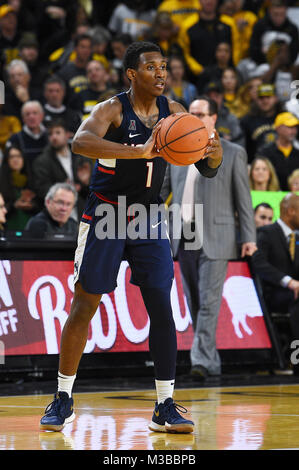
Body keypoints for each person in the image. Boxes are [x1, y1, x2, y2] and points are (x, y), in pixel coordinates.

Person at [39, 41, 223, 434]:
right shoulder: (110, 109)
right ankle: (62, 397)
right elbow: (80, 143)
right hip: (106, 211)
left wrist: (213, 153)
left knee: (161, 305)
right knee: (85, 304)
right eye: (152, 67)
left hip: (149, 215)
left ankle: (165, 404)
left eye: (164, 67)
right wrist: (137, 152)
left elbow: (206, 167)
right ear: (131, 74)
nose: (161, 73)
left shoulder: (174, 114)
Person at [160, 96, 256, 380]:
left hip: (217, 233)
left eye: (201, 113)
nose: (195, 117)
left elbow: (244, 199)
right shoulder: (176, 150)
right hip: (184, 231)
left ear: (214, 118)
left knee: (210, 301)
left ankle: (200, 360)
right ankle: (210, 361)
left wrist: (248, 236)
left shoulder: (233, 152)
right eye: (192, 113)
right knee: (195, 301)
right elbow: (160, 190)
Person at [251, 193, 299, 368]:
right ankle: (296, 360)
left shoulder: (297, 236)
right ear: (291, 211)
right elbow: (259, 263)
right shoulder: (266, 232)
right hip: (273, 293)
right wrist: (289, 282)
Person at [32, 119, 92, 219]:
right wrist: (62, 190)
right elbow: (41, 188)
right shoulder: (42, 161)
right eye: (50, 134)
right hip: (56, 212)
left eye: (58, 132)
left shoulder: (82, 156)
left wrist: (84, 184)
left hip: (83, 210)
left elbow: (96, 188)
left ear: (68, 134)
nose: (54, 137)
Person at [257, 112, 299, 191]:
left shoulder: (297, 154)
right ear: (278, 128)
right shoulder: (265, 153)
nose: (293, 131)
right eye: (289, 127)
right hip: (270, 195)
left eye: (295, 127)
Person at [240, 83, 281, 163]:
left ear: (275, 98)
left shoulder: (285, 118)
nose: (265, 101)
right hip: (257, 166)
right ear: (256, 100)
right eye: (261, 98)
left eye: (268, 97)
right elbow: (243, 148)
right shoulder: (247, 121)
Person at [0, 145, 37, 230]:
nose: (15, 159)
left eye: (19, 156)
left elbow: (40, 205)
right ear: (7, 160)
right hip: (8, 227)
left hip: (29, 226)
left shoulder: (32, 179)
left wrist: (32, 205)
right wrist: (14, 206)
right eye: (12, 157)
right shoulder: (2, 181)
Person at [5, 100, 48, 172]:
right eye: (27, 114)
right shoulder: (14, 139)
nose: (31, 117)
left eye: (35, 113)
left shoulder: (50, 136)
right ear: (23, 118)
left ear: (42, 116)